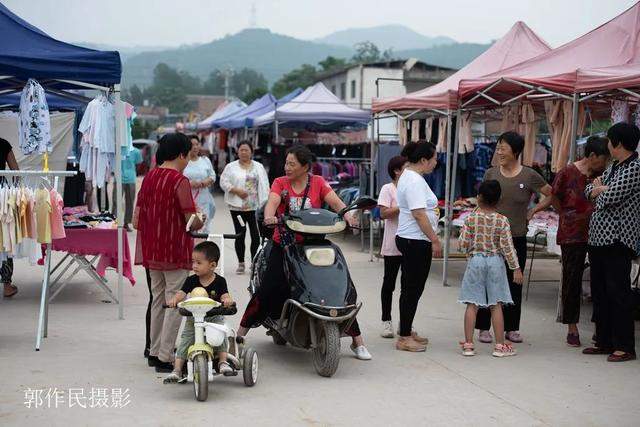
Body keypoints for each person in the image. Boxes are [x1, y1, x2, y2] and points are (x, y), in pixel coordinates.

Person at [237, 145, 372, 360]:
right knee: (268, 288)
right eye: (286, 163)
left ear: (305, 167)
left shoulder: (318, 182)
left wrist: (347, 215)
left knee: (339, 287)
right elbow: (272, 203)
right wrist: (270, 216)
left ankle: (357, 341)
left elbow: (336, 202)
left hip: (316, 245)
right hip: (284, 245)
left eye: (292, 164)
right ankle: (240, 335)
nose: (287, 167)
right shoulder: (280, 183)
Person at [133, 133, 204, 373]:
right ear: (182, 154)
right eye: (188, 156)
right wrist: (200, 218)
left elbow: (136, 220)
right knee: (175, 301)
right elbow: (190, 221)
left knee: (158, 301)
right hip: (174, 250)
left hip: (153, 250)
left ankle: (154, 352)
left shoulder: (150, 177)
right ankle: (165, 356)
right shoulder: (179, 180)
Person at [476, 131, 551, 344]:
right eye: (498, 147)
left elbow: (550, 193)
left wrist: (533, 211)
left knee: (514, 283)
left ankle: (511, 328)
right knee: (487, 283)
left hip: (516, 237)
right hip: (491, 240)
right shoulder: (491, 174)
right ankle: (483, 327)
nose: (499, 152)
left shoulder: (529, 175)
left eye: (503, 148)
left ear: (516, 152)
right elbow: (481, 201)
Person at [583, 122, 640, 362]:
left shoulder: (635, 167)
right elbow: (589, 191)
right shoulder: (614, 166)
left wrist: (600, 191)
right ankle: (603, 340)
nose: (607, 145)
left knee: (618, 292)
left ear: (617, 143)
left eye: (609, 141)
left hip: (618, 238)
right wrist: (598, 189)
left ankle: (624, 345)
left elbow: (610, 197)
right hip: (598, 239)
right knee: (600, 291)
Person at [547, 136, 610, 347]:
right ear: (592, 156)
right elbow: (554, 196)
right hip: (572, 233)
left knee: (599, 280)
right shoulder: (567, 172)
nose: (605, 164)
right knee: (572, 279)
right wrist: (565, 214)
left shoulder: (603, 174)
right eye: (603, 159)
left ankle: (599, 326)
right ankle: (572, 327)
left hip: (599, 232)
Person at [458, 180, 523, 357]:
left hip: (476, 261)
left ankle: (469, 344)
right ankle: (500, 346)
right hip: (495, 262)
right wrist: (516, 268)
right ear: (498, 199)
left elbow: (462, 244)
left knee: (472, 304)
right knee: (496, 304)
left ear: (479, 197)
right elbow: (508, 247)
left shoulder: (470, 218)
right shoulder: (502, 220)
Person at [163, 241, 234, 383]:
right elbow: (181, 293)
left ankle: (223, 362)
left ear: (212, 265)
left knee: (220, 336)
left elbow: (225, 295)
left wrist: (227, 300)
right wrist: (174, 300)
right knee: (185, 340)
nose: (194, 266)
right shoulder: (191, 280)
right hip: (193, 318)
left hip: (214, 317)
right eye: (193, 262)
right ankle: (176, 370)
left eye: (199, 263)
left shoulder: (220, 281)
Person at [395, 141, 442, 352]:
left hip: (412, 239)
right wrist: (434, 239)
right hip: (415, 240)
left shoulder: (411, 175)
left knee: (411, 288)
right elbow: (419, 213)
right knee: (412, 289)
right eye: (434, 158)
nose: (436, 162)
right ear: (423, 160)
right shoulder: (413, 180)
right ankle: (404, 337)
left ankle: (406, 328)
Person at [220, 141, 269, 274]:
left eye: (246, 150)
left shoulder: (258, 167)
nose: (244, 152)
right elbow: (223, 181)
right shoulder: (231, 167)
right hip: (237, 207)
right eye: (241, 150)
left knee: (255, 236)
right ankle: (241, 263)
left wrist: (266, 203)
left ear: (251, 152)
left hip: (254, 208)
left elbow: (265, 184)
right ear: (238, 152)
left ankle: (254, 263)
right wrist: (236, 190)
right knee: (240, 235)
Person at [377, 155, 407, 338]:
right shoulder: (388, 189)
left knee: (407, 286)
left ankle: (404, 324)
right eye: (406, 167)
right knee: (389, 283)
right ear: (397, 171)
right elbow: (383, 213)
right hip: (392, 243)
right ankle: (386, 321)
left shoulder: (412, 188)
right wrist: (401, 207)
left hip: (410, 242)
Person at [183, 135, 217, 232]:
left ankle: (202, 246)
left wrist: (204, 182)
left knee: (203, 227)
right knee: (189, 228)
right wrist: (188, 184)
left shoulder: (205, 160)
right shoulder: (183, 161)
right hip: (188, 200)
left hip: (204, 200)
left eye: (197, 144)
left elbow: (212, 176)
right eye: (192, 145)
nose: (195, 147)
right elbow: (177, 178)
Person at [0, 137, 19, 298]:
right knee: (5, 238)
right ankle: (7, 285)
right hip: (2, 194)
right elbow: (15, 171)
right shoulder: (3, 144)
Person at [112, 146, 143, 232]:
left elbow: (138, 164)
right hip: (118, 178)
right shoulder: (116, 150)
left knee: (130, 202)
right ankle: (114, 222)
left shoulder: (136, 151)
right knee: (116, 201)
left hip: (131, 179)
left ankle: (126, 223)